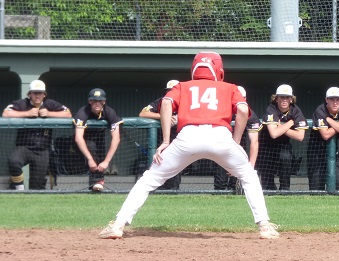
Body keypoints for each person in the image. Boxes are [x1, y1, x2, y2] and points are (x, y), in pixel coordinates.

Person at [98, 51, 279, 239]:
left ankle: (118, 224)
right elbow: (242, 109)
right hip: (220, 136)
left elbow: (167, 102)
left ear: (194, 68)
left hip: (187, 137)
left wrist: (166, 141)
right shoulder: (230, 87)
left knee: (149, 179)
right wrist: (236, 142)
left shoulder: (182, 86)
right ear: (219, 69)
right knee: (249, 175)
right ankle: (264, 226)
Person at [2, 79, 71, 190]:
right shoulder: (22, 103)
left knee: (37, 187)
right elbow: (6, 114)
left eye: (40, 93)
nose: (37, 96)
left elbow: (68, 114)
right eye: (35, 93)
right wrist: (27, 113)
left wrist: (49, 113)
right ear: (30, 94)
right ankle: (19, 187)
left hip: (42, 150)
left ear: (44, 94)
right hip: (24, 147)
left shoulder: (50, 104)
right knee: (13, 160)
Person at [257, 84, 308, 191]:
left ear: (291, 99)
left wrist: (281, 127)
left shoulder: (295, 110)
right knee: (267, 184)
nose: (284, 100)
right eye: (281, 97)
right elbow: (274, 134)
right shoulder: (271, 109)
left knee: (286, 159)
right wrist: (290, 123)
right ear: (276, 98)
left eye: (287, 97)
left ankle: (284, 191)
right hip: (266, 146)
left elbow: (300, 136)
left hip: (283, 146)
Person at [73, 88, 123, 192]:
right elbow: (78, 138)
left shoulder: (109, 112)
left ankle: (97, 183)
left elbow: (116, 138)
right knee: (91, 147)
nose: (97, 103)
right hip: (82, 143)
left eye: (100, 101)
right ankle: (96, 181)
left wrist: (106, 161)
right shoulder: (83, 112)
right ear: (89, 101)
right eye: (94, 101)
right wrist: (90, 159)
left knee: (100, 154)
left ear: (104, 102)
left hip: (100, 140)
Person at [139, 80, 182, 190]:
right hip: (161, 142)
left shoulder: (186, 103)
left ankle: (173, 191)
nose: (170, 93)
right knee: (160, 166)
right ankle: (158, 191)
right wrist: (164, 116)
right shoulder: (161, 102)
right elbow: (143, 113)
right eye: (168, 91)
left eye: (173, 90)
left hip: (180, 140)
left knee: (175, 167)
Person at [307, 87, 339, 191]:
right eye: (332, 99)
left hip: (334, 152)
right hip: (316, 152)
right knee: (316, 188)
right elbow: (326, 135)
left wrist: (328, 120)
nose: (335, 102)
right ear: (327, 100)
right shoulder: (320, 110)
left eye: (338, 99)